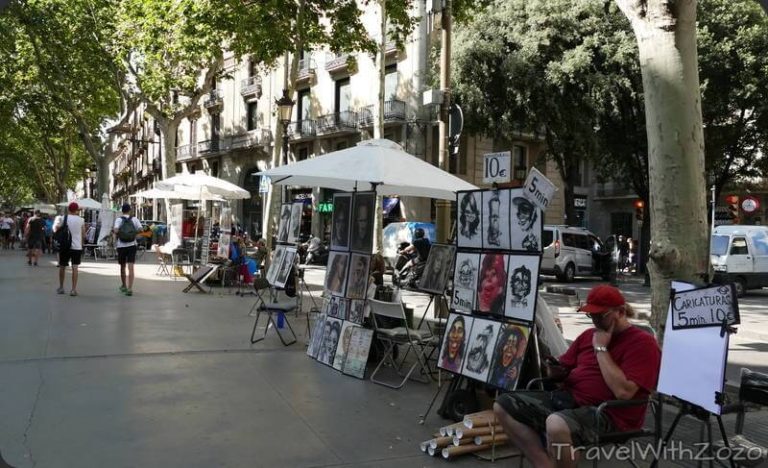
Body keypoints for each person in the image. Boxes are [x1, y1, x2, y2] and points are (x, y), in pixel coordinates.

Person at [494, 284, 661, 468]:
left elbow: (624, 392)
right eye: (591, 315)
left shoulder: (642, 343)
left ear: (620, 312)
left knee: (556, 424)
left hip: (610, 413)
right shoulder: (588, 335)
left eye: (600, 315)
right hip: (570, 399)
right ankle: (544, 464)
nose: (595, 321)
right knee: (503, 405)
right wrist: (551, 369)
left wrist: (601, 349)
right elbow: (563, 366)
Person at [54, 202, 86, 296]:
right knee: (75, 267)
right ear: (77, 210)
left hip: (65, 246)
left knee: (62, 266)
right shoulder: (81, 220)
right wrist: (82, 244)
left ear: (68, 209)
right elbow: (83, 234)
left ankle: (61, 287)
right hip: (76, 247)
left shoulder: (63, 218)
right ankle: (73, 290)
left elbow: (56, 229)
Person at [113, 204, 143, 296]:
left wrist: (119, 233)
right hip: (132, 245)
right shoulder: (134, 219)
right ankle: (130, 289)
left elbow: (116, 230)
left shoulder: (119, 219)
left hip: (121, 246)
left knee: (122, 266)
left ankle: (124, 285)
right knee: (131, 267)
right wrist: (133, 233)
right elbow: (141, 230)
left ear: (122, 211)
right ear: (130, 210)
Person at [488, 325, 528, 390]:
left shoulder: (515, 370)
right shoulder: (495, 363)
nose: (509, 347)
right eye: (508, 342)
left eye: (514, 344)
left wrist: (515, 376)